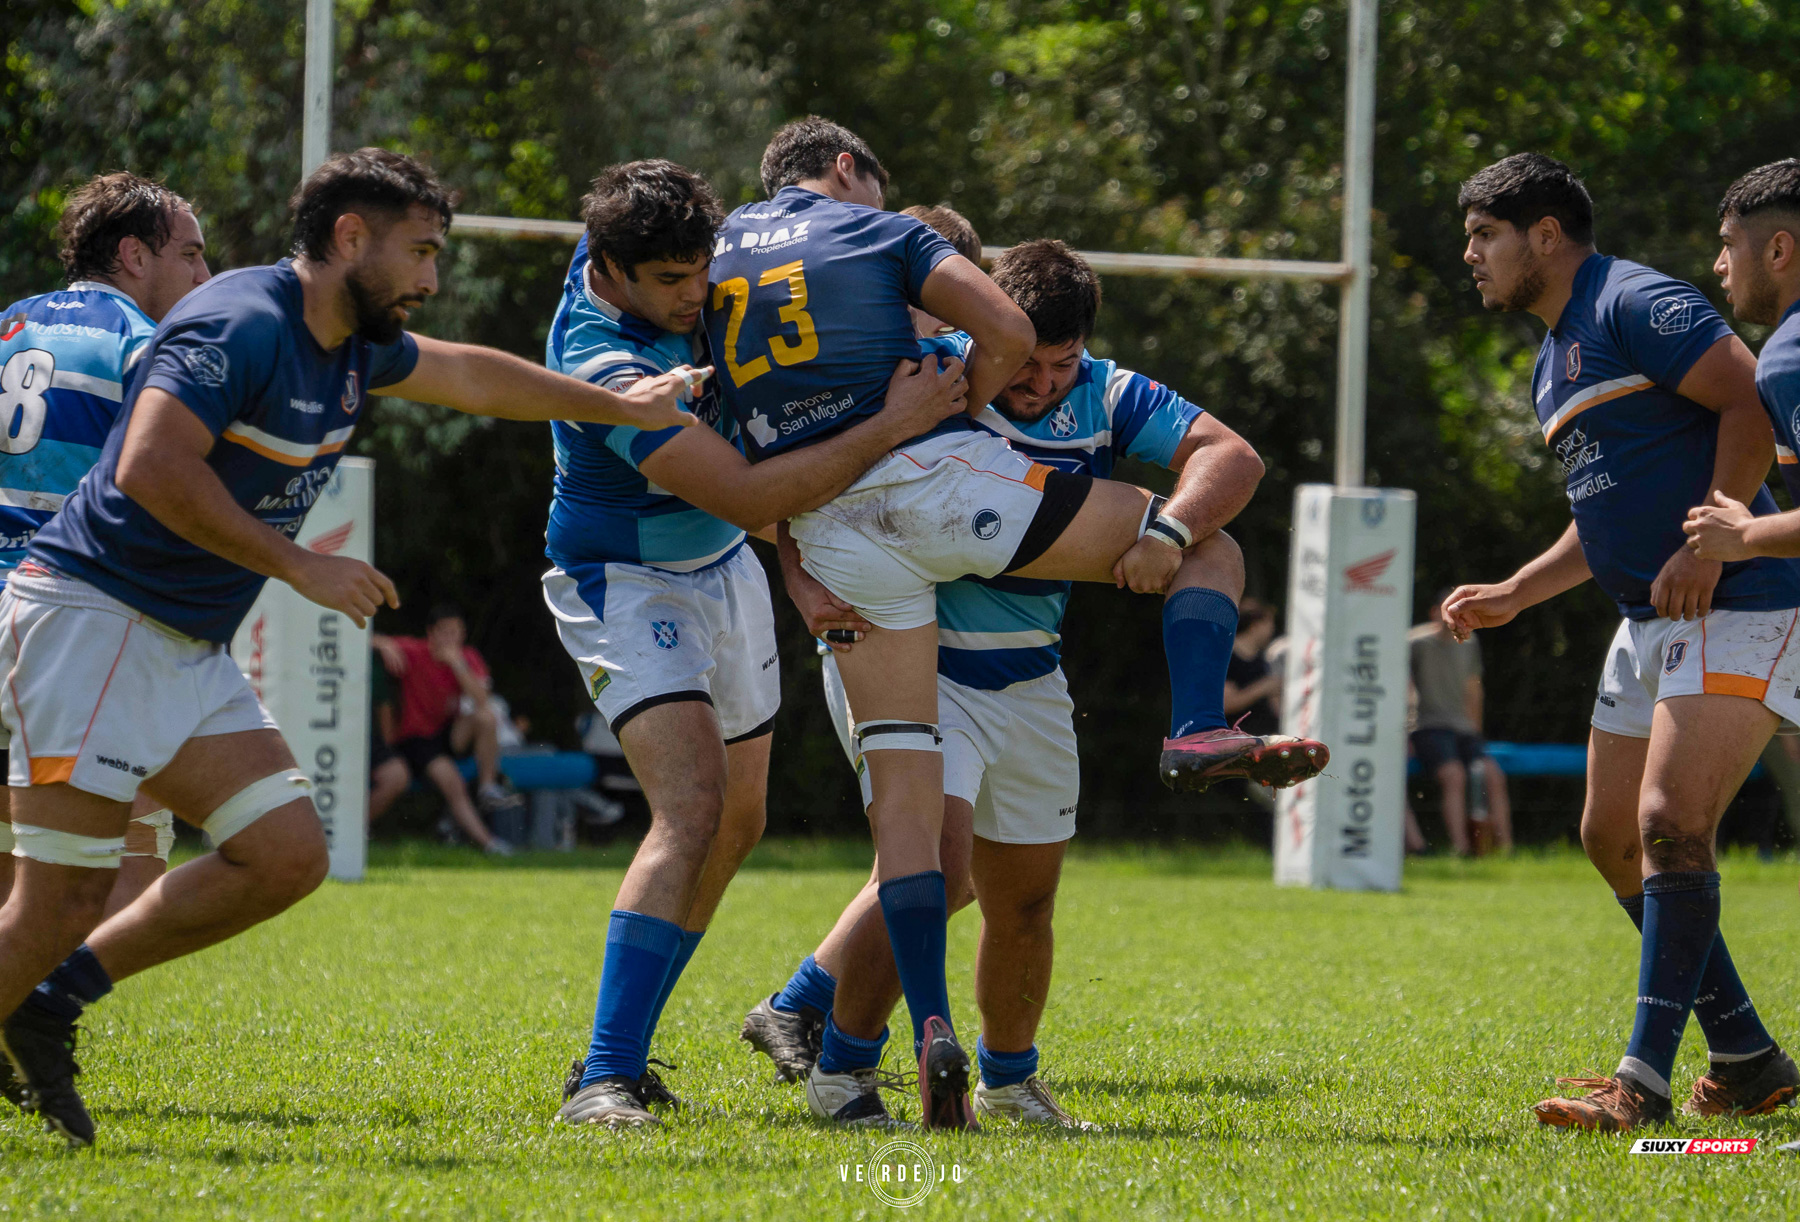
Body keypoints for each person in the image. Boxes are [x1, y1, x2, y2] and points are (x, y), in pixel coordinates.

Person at [0, 147, 702, 1147]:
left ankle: (54, 999)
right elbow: (152, 466)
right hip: (89, 622)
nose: (430, 279)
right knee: (57, 896)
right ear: (349, 238)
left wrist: (620, 405)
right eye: (419, 253)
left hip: (175, 640)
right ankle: (41, 984)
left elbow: (471, 377)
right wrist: (299, 564)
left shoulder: (351, 344)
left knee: (285, 854)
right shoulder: (240, 322)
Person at [708, 117, 1324, 1129]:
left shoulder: (1108, 387)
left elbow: (1234, 457)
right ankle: (841, 1063)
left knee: (1024, 899)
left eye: (1059, 366)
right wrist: (795, 571)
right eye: (1025, 363)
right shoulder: (937, 374)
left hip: (1030, 671)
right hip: (924, 652)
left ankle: (1001, 1075)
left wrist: (1165, 527)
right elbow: (816, 468)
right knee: (936, 866)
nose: (1037, 385)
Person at [540, 160, 973, 1129]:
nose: (698, 296)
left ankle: (627, 1058)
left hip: (727, 565)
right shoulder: (599, 358)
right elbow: (745, 486)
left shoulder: (693, 263)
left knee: (738, 823)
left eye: (704, 270)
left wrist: (795, 571)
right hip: (622, 578)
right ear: (609, 268)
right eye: (672, 283)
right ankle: (603, 1077)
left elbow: (763, 468)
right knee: (689, 808)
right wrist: (900, 418)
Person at [1441, 153, 1800, 1131]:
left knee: (1671, 825)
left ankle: (1639, 1082)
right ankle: (1748, 1056)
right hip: (1647, 619)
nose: (1469, 254)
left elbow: (1747, 402)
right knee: (1610, 837)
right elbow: (1600, 508)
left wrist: (1713, 541)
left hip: (1735, 601)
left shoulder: (1635, 301)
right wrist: (1520, 588)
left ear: (1545, 236)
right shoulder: (1549, 358)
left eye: (1484, 235)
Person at [0, 172, 213, 1119]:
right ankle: (37, 1013)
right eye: (191, 253)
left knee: (25, 860)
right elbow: (163, 475)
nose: (205, 274)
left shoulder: (9, 323)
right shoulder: (142, 340)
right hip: (69, 613)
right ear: (134, 255)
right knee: (122, 868)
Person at [368, 606, 518, 855]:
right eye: (445, 632)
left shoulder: (466, 657)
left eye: (456, 632)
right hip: (416, 738)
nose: (451, 638)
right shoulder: (415, 651)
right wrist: (384, 644)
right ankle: (489, 843)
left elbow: (482, 699)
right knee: (452, 783)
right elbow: (366, 637)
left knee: (486, 717)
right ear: (431, 634)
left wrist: (458, 665)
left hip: (448, 732)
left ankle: (487, 786)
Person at [1407, 605, 1512, 856]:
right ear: (1435, 613)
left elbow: (1473, 689)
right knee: (1454, 776)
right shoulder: (1414, 643)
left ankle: (1505, 849)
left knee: (1493, 776)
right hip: (1428, 727)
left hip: (1463, 729)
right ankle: (1462, 849)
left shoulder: (1470, 642)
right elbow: (1405, 689)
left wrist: (1476, 732)